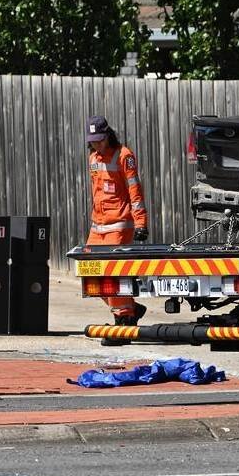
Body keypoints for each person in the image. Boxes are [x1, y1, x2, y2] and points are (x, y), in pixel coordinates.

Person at [85, 114, 148, 328]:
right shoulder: (93, 158)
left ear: (108, 136)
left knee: (113, 274)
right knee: (89, 272)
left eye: (99, 140)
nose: (96, 144)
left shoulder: (124, 155)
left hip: (119, 225)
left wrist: (140, 223)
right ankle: (130, 308)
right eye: (93, 140)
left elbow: (134, 190)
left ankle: (124, 317)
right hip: (98, 225)